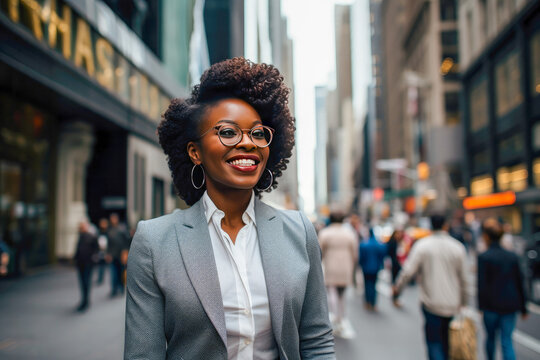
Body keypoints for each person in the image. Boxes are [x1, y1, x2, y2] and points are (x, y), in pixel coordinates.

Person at [124, 57, 335, 359]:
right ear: (195, 151)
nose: (248, 143)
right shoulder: (153, 242)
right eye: (227, 132)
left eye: (258, 133)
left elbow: (316, 340)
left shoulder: (299, 231)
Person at [392, 214, 467, 360]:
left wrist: (397, 289)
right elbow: (465, 280)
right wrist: (464, 303)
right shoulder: (458, 247)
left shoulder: (423, 246)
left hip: (431, 303)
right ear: (446, 225)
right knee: (447, 343)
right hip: (452, 305)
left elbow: (408, 272)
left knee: (434, 343)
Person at [477, 218, 528, 360]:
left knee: (490, 339)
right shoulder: (512, 256)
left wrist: (480, 306)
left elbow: (481, 284)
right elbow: (520, 282)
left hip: (491, 306)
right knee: (507, 341)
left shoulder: (484, 257)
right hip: (509, 305)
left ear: (486, 236)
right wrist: (524, 307)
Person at [318, 210, 358, 338]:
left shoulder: (325, 233)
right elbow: (355, 252)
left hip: (331, 265)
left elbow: (319, 251)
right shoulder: (349, 233)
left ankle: (334, 316)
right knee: (342, 293)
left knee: (331, 291)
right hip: (346, 266)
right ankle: (341, 317)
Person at [359, 228, 387, 311]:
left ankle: (368, 302)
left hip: (366, 268)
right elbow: (383, 254)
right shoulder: (379, 245)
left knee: (367, 285)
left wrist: (361, 264)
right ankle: (373, 303)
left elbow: (361, 257)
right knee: (374, 285)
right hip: (376, 268)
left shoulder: (364, 245)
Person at [73, 221, 98, 312]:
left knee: (86, 282)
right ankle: (84, 300)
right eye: (80, 227)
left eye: (83, 226)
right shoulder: (80, 236)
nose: (81, 228)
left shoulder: (91, 237)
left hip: (88, 263)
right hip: (80, 263)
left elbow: (96, 250)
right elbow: (78, 249)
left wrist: (94, 259)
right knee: (83, 282)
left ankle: (86, 301)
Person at [107, 213, 130, 297]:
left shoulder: (122, 229)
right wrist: (108, 254)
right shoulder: (110, 230)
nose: (113, 220)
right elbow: (108, 244)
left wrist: (125, 252)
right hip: (113, 255)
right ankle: (114, 289)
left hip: (121, 255)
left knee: (121, 272)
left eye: (114, 218)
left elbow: (126, 242)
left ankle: (121, 288)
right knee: (113, 273)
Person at [387, 229, 404, 306]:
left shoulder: (400, 243)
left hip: (399, 265)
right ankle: (394, 298)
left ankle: (395, 297)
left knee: (398, 282)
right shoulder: (392, 243)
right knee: (395, 282)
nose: (399, 235)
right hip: (394, 265)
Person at [95, 218, 108, 285]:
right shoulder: (98, 232)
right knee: (100, 265)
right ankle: (100, 278)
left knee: (103, 265)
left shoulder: (108, 232)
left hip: (106, 251)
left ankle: (101, 278)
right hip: (100, 251)